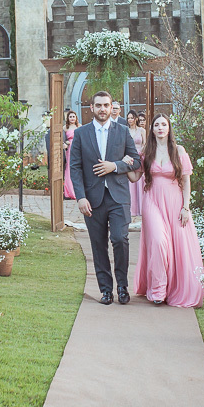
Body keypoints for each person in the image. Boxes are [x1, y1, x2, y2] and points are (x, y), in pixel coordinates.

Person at [70, 91, 139, 306]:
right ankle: (106, 290)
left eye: (106, 105)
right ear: (91, 108)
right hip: (93, 199)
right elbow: (75, 168)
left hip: (118, 197)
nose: (102, 109)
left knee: (120, 239)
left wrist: (115, 166)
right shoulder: (81, 133)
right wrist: (80, 197)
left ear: (111, 108)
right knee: (98, 245)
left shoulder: (123, 131)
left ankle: (122, 286)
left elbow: (136, 162)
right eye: (98, 105)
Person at [130, 114, 203, 307]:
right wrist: (124, 163)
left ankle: (174, 288)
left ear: (169, 128)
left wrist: (186, 207)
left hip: (175, 202)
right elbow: (134, 178)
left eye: (164, 124)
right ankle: (157, 291)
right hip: (152, 200)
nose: (160, 127)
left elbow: (186, 181)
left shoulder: (179, 151)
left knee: (177, 245)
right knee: (158, 241)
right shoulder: (146, 152)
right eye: (157, 125)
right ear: (152, 129)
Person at [126, 110, 145, 219]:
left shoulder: (141, 130)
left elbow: (145, 144)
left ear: (136, 118)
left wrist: (141, 153)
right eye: (128, 118)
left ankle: (141, 208)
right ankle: (132, 208)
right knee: (131, 183)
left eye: (132, 118)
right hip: (130, 157)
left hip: (140, 156)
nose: (130, 120)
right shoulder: (126, 131)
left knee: (140, 182)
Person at [62, 109, 79, 200]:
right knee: (68, 168)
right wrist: (65, 143)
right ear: (68, 118)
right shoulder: (65, 128)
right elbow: (62, 138)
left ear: (76, 118)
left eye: (73, 116)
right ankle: (68, 192)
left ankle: (77, 191)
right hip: (69, 150)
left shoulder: (79, 126)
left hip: (77, 148)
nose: (72, 118)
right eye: (70, 117)